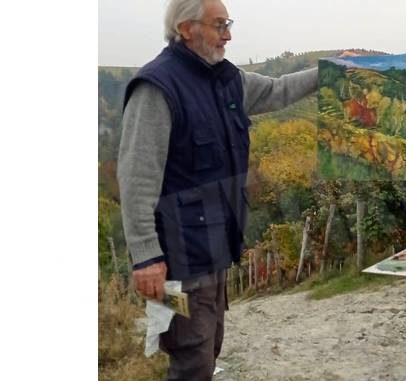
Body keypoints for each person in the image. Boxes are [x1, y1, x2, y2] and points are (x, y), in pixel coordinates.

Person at [117, 0, 317, 379]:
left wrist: (331, 72)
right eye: (219, 24)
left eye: (228, 23)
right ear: (186, 28)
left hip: (215, 249)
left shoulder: (224, 79)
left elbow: (278, 91)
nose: (228, 34)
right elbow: (137, 179)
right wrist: (146, 258)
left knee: (208, 349)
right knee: (191, 358)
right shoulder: (157, 88)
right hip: (179, 259)